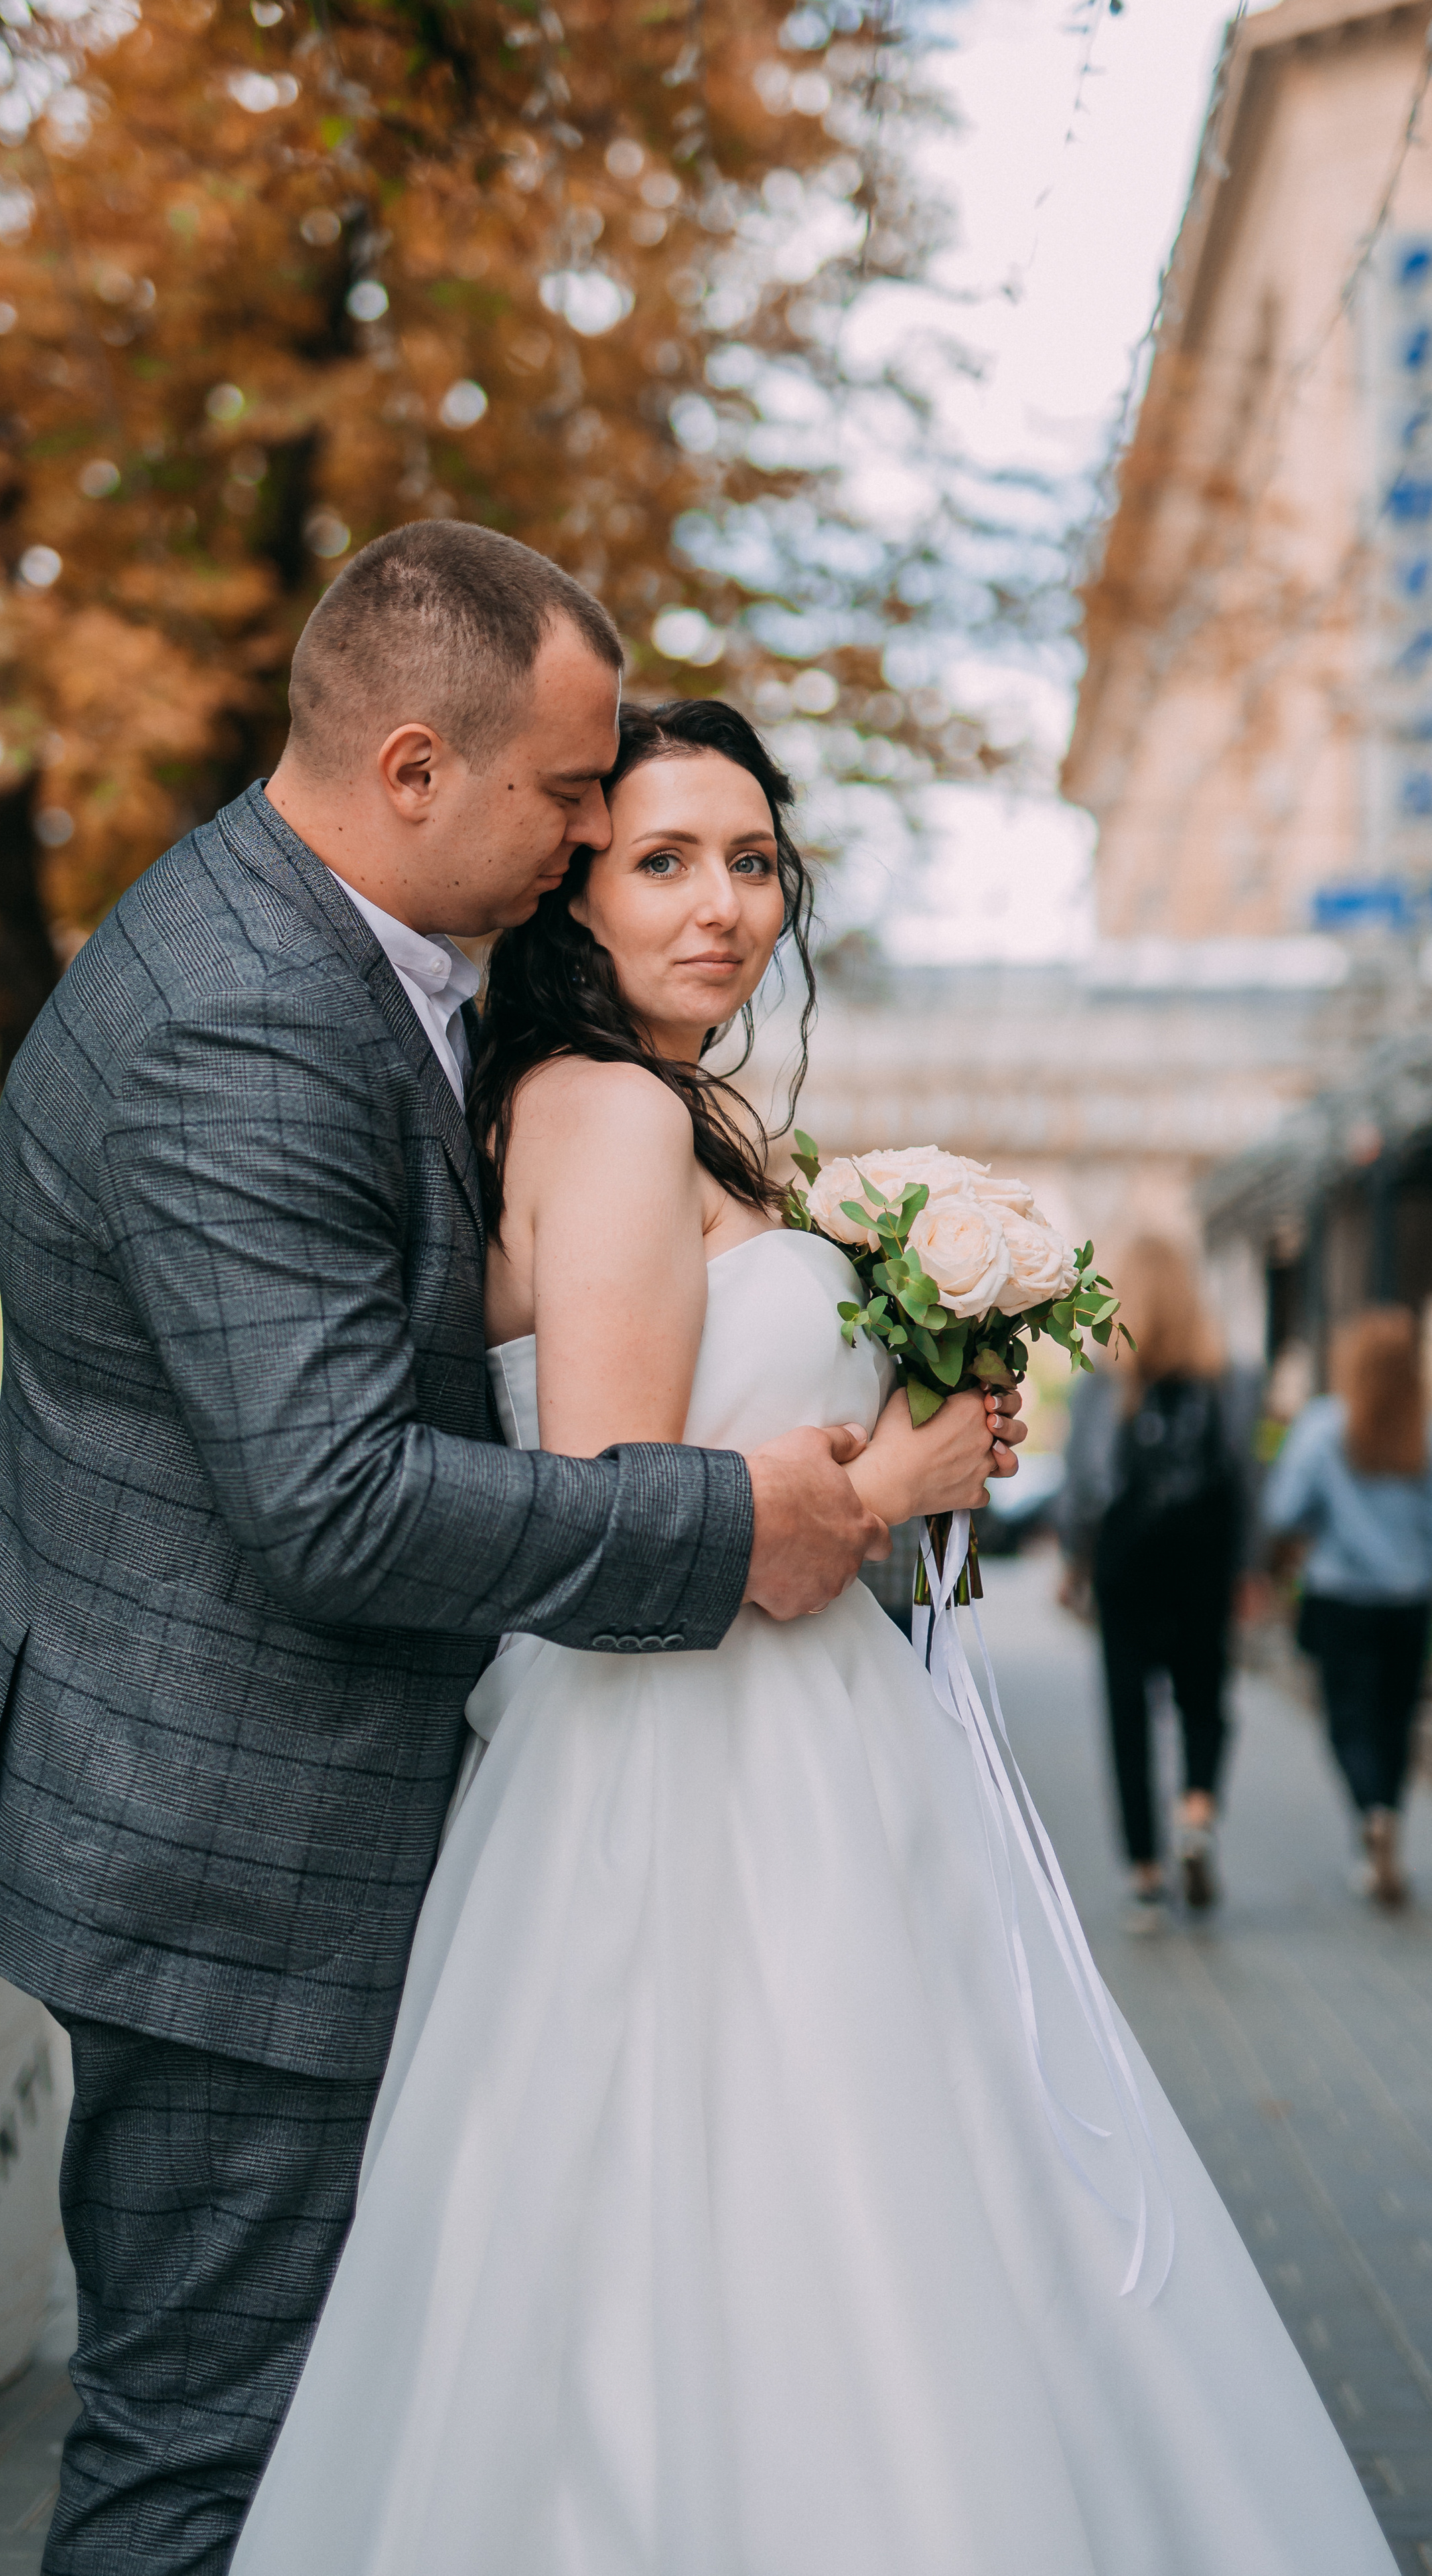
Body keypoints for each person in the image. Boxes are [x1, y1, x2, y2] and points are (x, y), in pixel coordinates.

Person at [228, 700, 1392, 2575]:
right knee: (752, 2240)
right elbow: (634, 1524)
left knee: (895, 2227)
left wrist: (915, 1447)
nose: (723, 904)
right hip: (683, 1780)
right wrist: (894, 1469)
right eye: (664, 857)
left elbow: (755, 1475)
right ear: (572, 886)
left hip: (815, 1749)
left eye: (755, 859)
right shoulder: (603, 1111)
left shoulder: (710, 1122)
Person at [0, 525, 900, 2576]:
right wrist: (742, 1519)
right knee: (209, 2451)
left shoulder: (341, 957)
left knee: (312, 2430)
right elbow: (336, 1494)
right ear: (413, 767)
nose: (598, 826)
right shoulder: (243, 1017)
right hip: (225, 1855)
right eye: (570, 792)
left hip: (254, 1795)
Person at [1058, 1236, 1257, 1932]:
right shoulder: (1223, 1378)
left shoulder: (1105, 1379)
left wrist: (1072, 1562)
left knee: (1126, 1711)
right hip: (1201, 1559)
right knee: (1204, 1695)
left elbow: (1085, 1485)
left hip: (1127, 1561)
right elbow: (1242, 1477)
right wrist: (1246, 1566)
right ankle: (1196, 1809)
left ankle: (1144, 1875)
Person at [1265, 1304, 1432, 1910]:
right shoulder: (1425, 1431)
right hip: (1409, 1600)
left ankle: (1370, 1813)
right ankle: (1386, 1816)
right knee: (1394, 1718)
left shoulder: (1324, 1426)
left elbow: (1283, 1511)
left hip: (1339, 1598)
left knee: (1347, 1719)